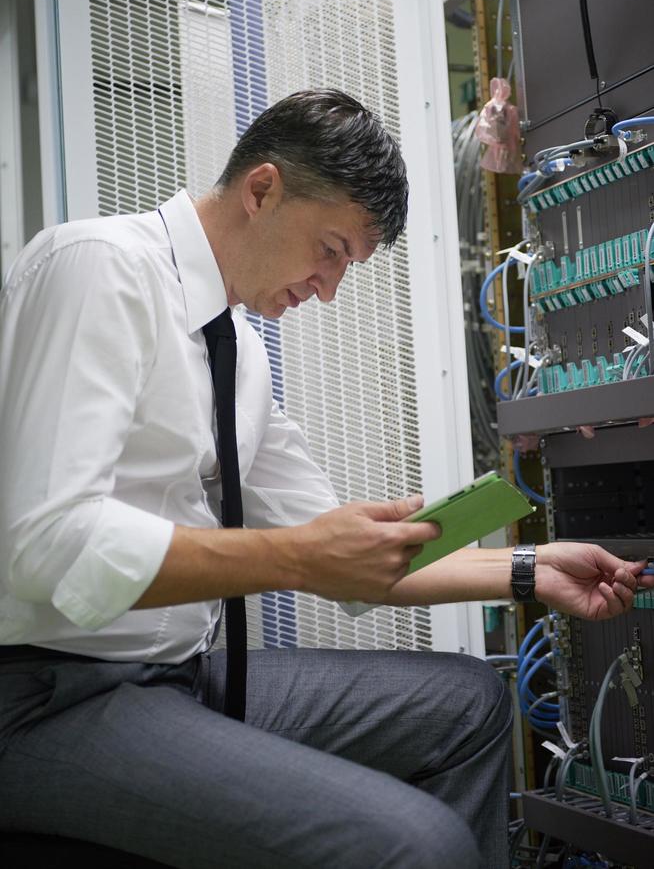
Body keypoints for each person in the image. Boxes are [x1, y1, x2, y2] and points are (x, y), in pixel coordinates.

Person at [0, 89, 650, 869]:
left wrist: (528, 569)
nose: (329, 288)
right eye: (332, 250)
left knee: (470, 704)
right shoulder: (98, 269)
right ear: (262, 188)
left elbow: (352, 564)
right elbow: (45, 543)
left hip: (176, 674)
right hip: (45, 696)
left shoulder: (232, 350)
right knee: (417, 843)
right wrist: (295, 556)